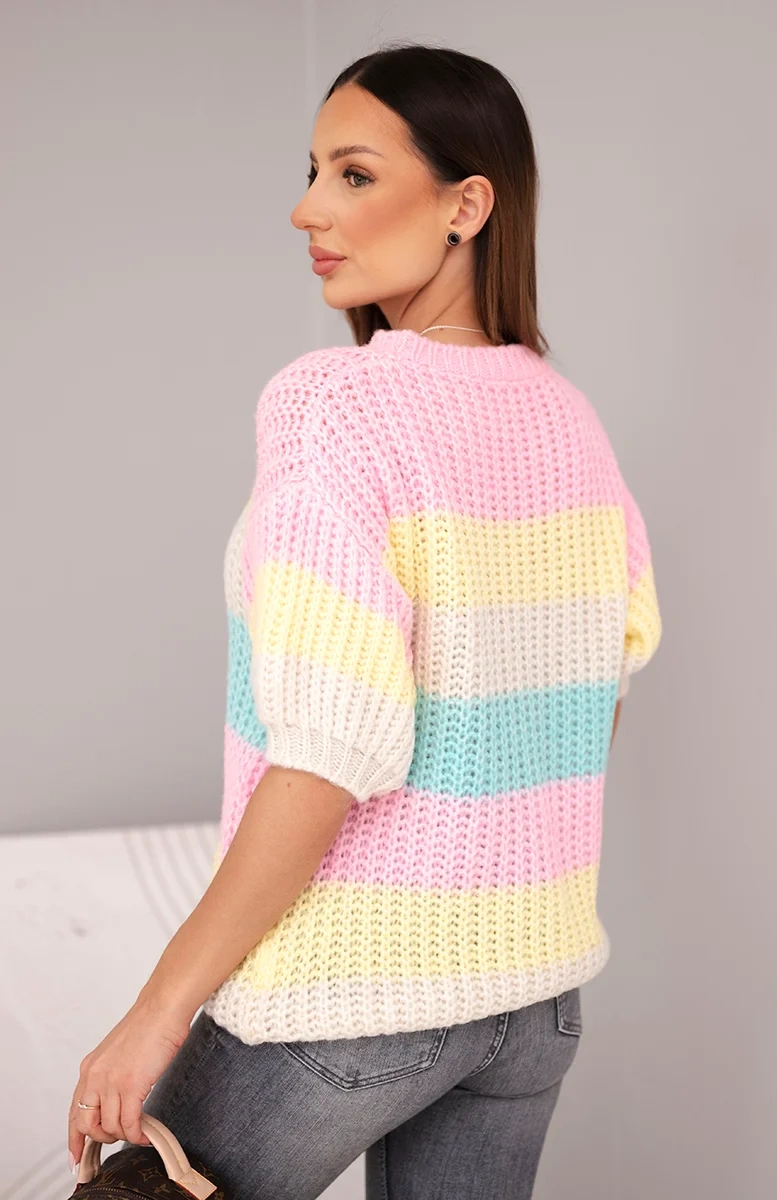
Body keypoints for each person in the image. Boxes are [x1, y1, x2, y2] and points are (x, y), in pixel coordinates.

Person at [68, 41, 662, 1199]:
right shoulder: (569, 420)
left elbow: (330, 749)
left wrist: (156, 1012)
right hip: (531, 1001)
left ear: (464, 206)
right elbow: (597, 692)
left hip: (348, 1000)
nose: (307, 209)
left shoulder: (334, 406)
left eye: (351, 174)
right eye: (312, 172)